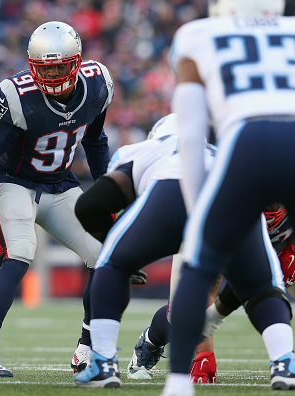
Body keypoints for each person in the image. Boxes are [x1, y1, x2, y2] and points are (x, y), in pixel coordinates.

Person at [163, 0, 295, 395]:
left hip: (249, 139)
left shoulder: (199, 36)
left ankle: (179, 381)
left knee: (198, 264)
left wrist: (197, 210)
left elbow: (192, 133)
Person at [0, 21, 113, 377]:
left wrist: (110, 194)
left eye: (60, 66)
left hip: (60, 184)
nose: (52, 74)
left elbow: (95, 142)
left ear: (76, 62)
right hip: (14, 182)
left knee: (103, 255)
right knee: (20, 251)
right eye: (44, 68)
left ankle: (87, 349)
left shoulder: (97, 86)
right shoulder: (18, 95)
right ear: (32, 66)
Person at [72, 114, 222, 388]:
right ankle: (283, 359)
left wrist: (114, 249)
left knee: (111, 263)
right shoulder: (219, 156)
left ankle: (104, 360)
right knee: (255, 286)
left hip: (183, 213)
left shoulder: (142, 150)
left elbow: (90, 206)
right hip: (203, 220)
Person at [202, 204, 295, 382]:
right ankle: (155, 340)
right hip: (246, 250)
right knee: (199, 310)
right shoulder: (241, 195)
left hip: (285, 243)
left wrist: (294, 250)